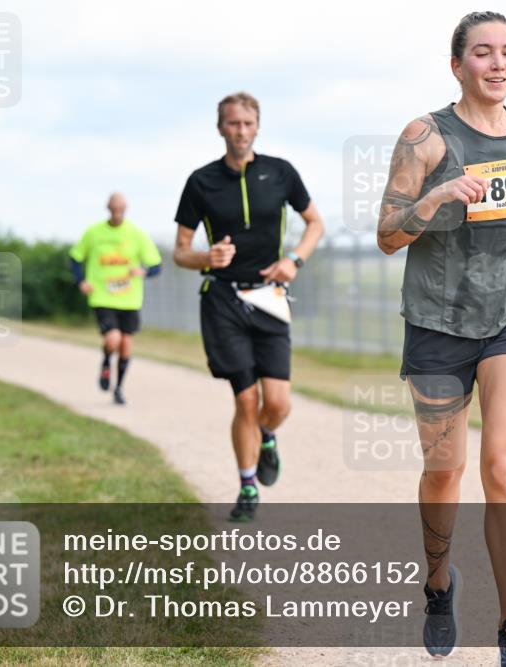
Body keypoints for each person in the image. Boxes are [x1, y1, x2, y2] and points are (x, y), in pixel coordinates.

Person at [376, 12, 506, 667]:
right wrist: (435, 198)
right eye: (483, 54)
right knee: (445, 469)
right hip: (438, 320)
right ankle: (438, 584)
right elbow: (387, 232)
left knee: (502, 464)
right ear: (457, 65)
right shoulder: (425, 137)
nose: (498, 64)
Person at [173, 91, 324, 523]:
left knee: (277, 403)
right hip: (222, 300)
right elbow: (181, 252)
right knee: (245, 400)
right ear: (220, 127)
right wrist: (206, 257)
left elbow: (316, 223)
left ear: (257, 126)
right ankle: (247, 487)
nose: (240, 131)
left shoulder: (280, 173)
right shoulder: (200, 181)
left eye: (247, 123)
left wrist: (294, 260)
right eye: (233, 123)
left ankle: (267, 436)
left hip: (269, 297)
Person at [70, 193, 162, 405]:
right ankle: (105, 361)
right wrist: (81, 280)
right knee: (113, 339)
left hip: (130, 299)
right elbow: (75, 258)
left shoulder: (136, 234)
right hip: (103, 296)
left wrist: (143, 271)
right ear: (108, 208)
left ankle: (119, 388)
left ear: (126, 208)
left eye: (121, 207)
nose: (117, 211)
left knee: (126, 344)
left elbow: (156, 266)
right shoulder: (93, 232)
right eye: (114, 207)